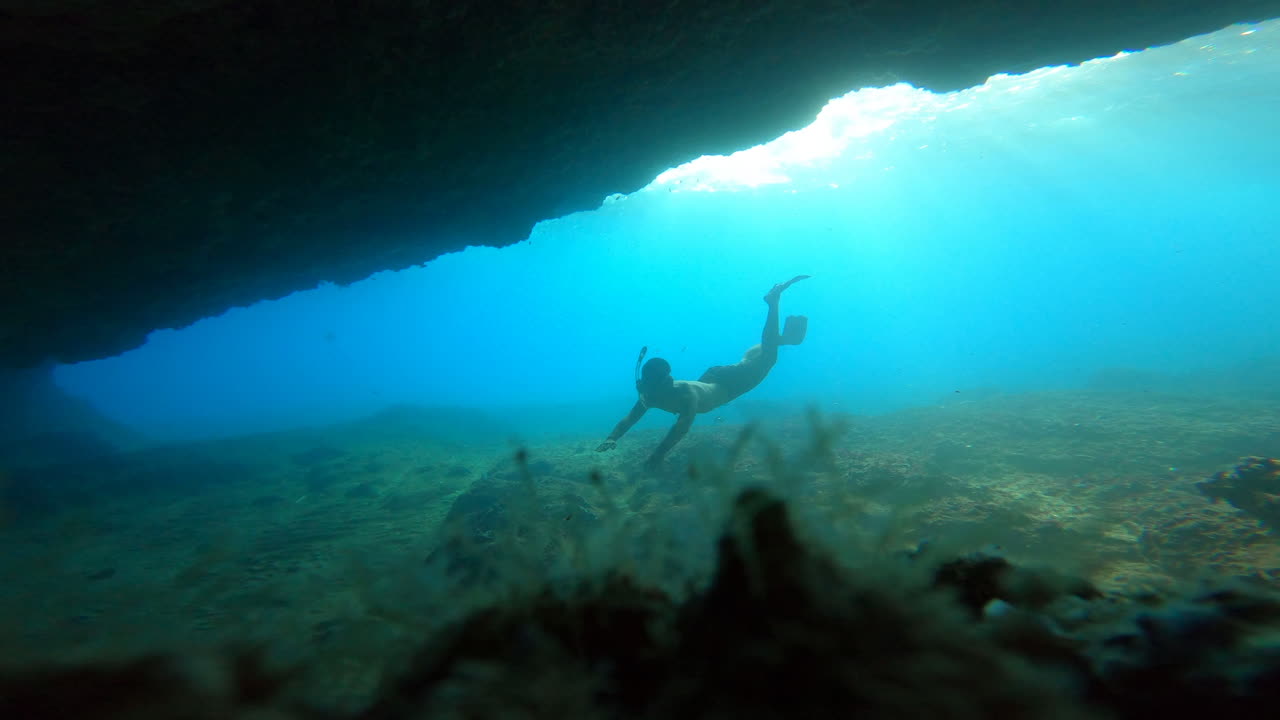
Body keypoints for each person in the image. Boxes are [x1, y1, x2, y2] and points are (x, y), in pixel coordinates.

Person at [597, 275, 810, 470]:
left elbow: (680, 429)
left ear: (666, 381)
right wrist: (612, 437)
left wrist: (657, 456)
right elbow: (629, 418)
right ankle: (783, 339)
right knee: (754, 358)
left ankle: (773, 304)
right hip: (711, 379)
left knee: (768, 357)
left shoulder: (684, 395)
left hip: (726, 385)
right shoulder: (648, 396)